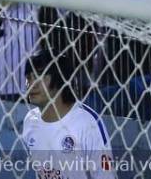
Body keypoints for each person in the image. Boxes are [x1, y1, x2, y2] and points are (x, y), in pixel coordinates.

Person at [21, 48, 116, 179]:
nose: (31, 84)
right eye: (28, 78)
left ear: (59, 79)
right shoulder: (30, 121)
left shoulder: (87, 123)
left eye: (39, 76)